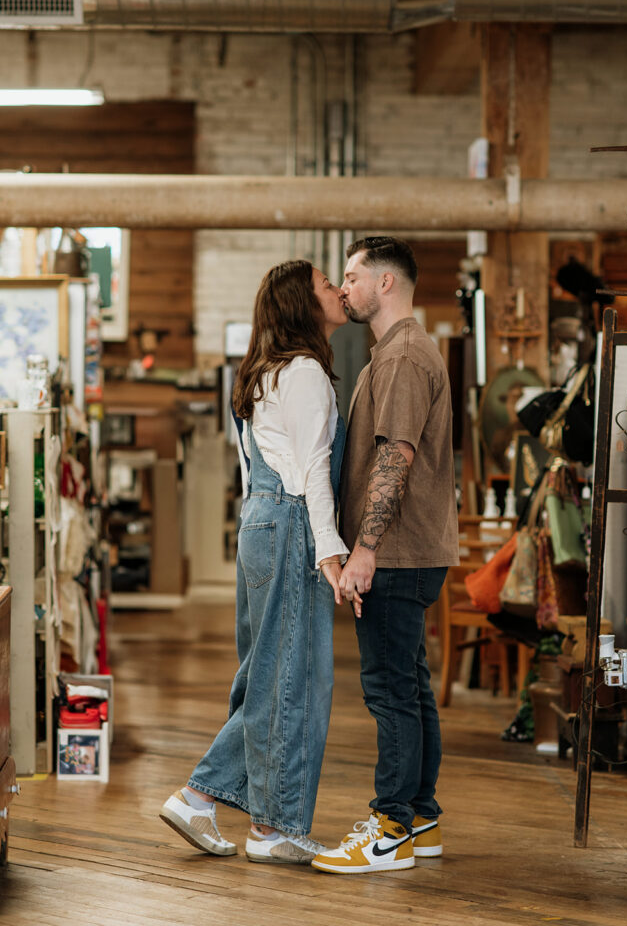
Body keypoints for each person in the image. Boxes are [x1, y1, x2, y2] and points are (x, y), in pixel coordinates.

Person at [161, 259, 352, 865]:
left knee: (267, 672)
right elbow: (313, 473)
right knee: (295, 677)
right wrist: (330, 550)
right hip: (292, 522)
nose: (338, 291)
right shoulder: (306, 373)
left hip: (260, 521)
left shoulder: (261, 373)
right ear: (304, 304)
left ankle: (254, 818)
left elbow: (257, 474)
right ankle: (244, 814)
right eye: (327, 284)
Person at [312, 236, 459, 876]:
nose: (344, 289)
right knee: (410, 683)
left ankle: (390, 826)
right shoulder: (400, 352)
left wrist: (365, 549)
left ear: (387, 283)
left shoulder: (401, 357)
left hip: (395, 552)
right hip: (412, 550)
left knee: (389, 690)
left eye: (352, 276)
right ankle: (420, 818)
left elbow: (394, 457)